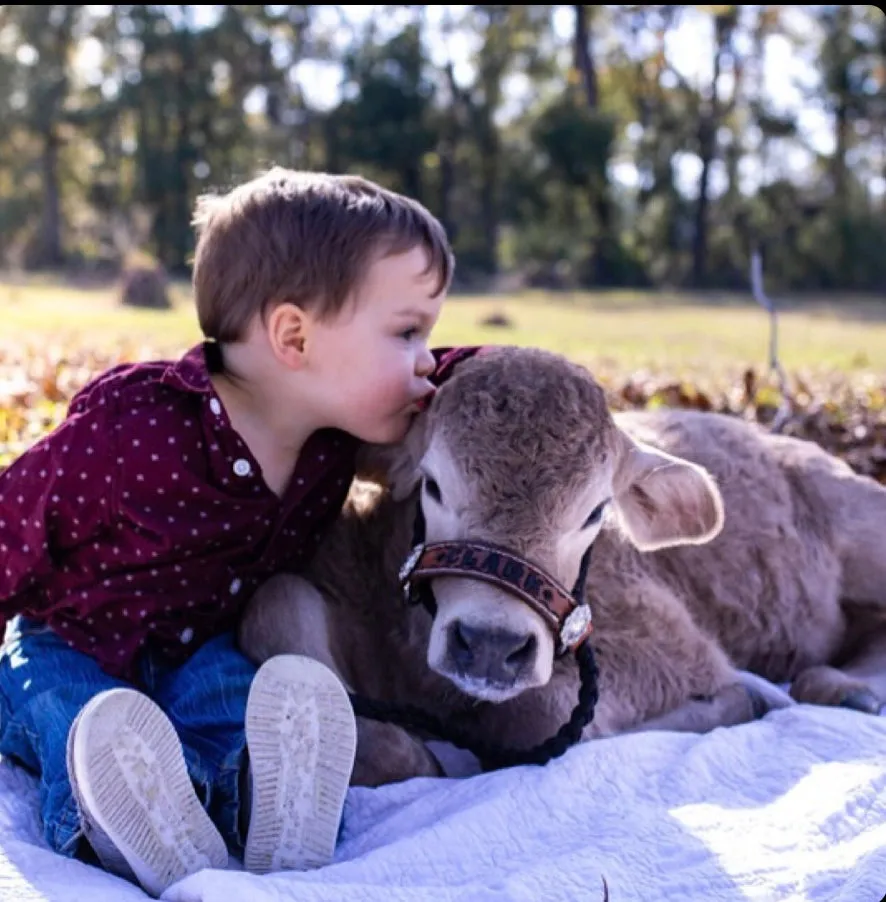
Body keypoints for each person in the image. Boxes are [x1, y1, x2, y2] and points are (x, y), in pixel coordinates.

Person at [0, 167, 480, 897]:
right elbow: (14, 519)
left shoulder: (330, 442)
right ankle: (128, 817)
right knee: (67, 710)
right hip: (69, 638)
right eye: (408, 332)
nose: (427, 364)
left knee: (242, 701)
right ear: (293, 336)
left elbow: (471, 375)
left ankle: (263, 805)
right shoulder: (137, 430)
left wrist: (510, 377)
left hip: (198, 647)